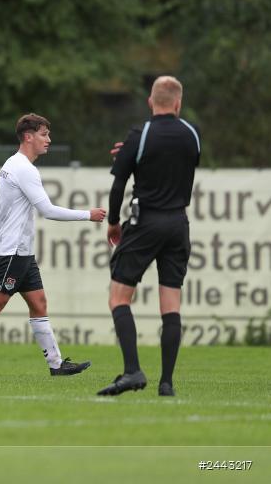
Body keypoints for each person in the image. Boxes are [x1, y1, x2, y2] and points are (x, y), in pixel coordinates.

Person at [0, 113, 104, 377]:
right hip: (11, 251)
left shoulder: (16, 164)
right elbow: (47, 210)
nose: (48, 140)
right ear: (28, 136)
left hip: (21, 251)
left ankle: (56, 365)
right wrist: (87, 215)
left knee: (39, 303)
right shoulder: (23, 168)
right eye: (44, 134)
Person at [97, 76, 200, 397]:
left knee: (118, 297)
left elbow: (119, 184)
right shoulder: (191, 135)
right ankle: (166, 383)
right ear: (178, 103)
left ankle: (132, 371)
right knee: (171, 305)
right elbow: (174, 165)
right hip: (178, 224)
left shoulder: (141, 136)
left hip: (146, 222)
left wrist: (114, 222)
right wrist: (133, 153)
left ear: (150, 102)